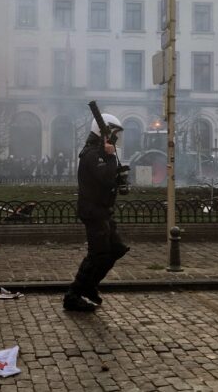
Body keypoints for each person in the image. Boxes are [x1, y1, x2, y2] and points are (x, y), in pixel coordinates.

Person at [63, 113, 130, 312]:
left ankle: (90, 286)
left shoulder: (102, 153)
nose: (115, 138)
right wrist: (110, 158)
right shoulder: (93, 154)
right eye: (113, 133)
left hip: (103, 210)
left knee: (116, 248)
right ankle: (73, 295)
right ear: (103, 132)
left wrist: (121, 175)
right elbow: (106, 179)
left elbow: (112, 178)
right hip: (94, 211)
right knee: (97, 254)